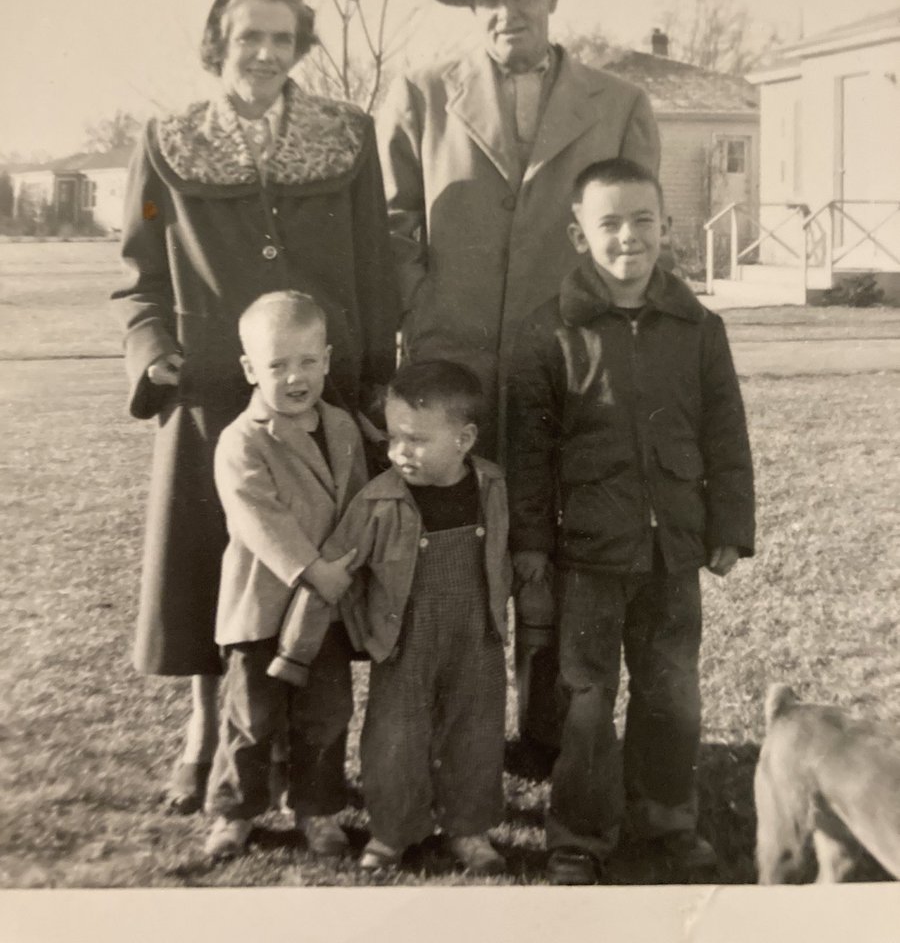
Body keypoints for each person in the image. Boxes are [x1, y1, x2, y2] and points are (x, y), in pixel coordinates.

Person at [377, 0, 661, 771]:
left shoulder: (619, 103)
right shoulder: (421, 94)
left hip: (572, 369)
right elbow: (389, 224)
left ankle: (546, 731)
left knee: (557, 541)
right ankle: (441, 728)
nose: (510, 11)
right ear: (473, 8)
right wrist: (425, 309)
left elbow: (639, 237)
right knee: (448, 548)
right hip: (449, 367)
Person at [111, 0, 397, 814]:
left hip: (321, 392)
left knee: (315, 562)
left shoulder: (345, 136)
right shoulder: (168, 141)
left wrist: (374, 374)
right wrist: (152, 350)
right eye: (248, 39)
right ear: (217, 46)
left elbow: (375, 264)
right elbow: (137, 276)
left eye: (282, 38)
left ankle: (305, 750)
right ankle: (205, 736)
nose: (266, 54)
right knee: (210, 573)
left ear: (300, 45)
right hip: (210, 391)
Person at [506, 157, 755, 885]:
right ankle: (579, 834)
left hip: (675, 549)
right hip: (588, 554)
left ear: (666, 228)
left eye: (642, 220)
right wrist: (531, 546)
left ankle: (667, 819)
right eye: (608, 223)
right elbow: (528, 452)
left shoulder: (698, 325)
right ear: (580, 235)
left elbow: (726, 433)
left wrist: (728, 525)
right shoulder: (548, 331)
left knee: (672, 688)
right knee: (585, 697)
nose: (628, 238)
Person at [272, 360, 512, 875]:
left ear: (464, 439)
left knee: (475, 734)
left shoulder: (493, 488)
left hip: (478, 640)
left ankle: (468, 831)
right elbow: (329, 575)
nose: (400, 451)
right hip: (403, 645)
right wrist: (296, 651)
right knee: (394, 739)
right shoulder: (379, 501)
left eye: (417, 440)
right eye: (393, 438)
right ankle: (392, 832)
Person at [202, 291, 367, 859]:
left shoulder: (344, 428)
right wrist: (313, 569)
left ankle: (317, 809)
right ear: (250, 369)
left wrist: (345, 569)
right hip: (262, 604)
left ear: (326, 359)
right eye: (276, 365)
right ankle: (235, 812)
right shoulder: (241, 439)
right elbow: (257, 517)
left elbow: (361, 505)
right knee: (251, 715)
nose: (294, 377)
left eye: (306, 362)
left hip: (325, 612)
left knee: (326, 714)